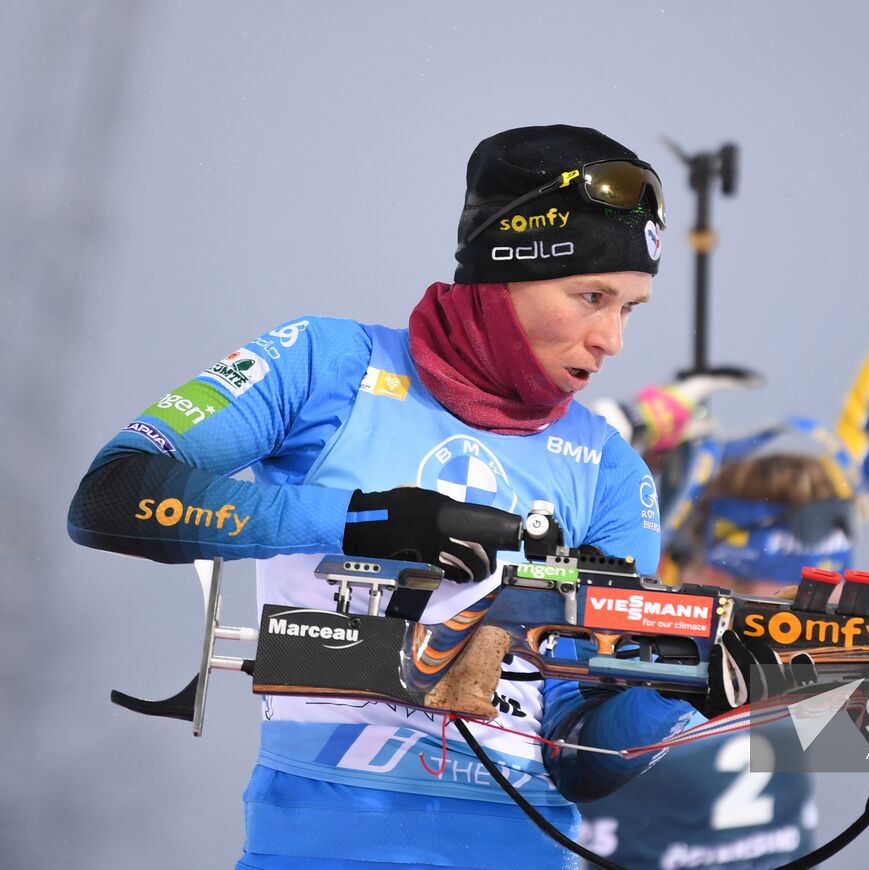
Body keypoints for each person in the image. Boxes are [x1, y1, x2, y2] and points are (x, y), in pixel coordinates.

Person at [67, 125, 705, 869]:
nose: (612, 340)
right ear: (505, 272)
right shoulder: (326, 364)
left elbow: (580, 761)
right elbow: (111, 495)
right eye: (591, 296)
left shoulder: (610, 468)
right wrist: (357, 520)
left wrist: (682, 690)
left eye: (630, 308)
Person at [581, 108, 869, 869]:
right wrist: (634, 421)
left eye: (800, 587)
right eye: (740, 576)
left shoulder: (825, 560)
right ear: (688, 553)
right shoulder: (646, 557)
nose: (771, 600)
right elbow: (541, 471)